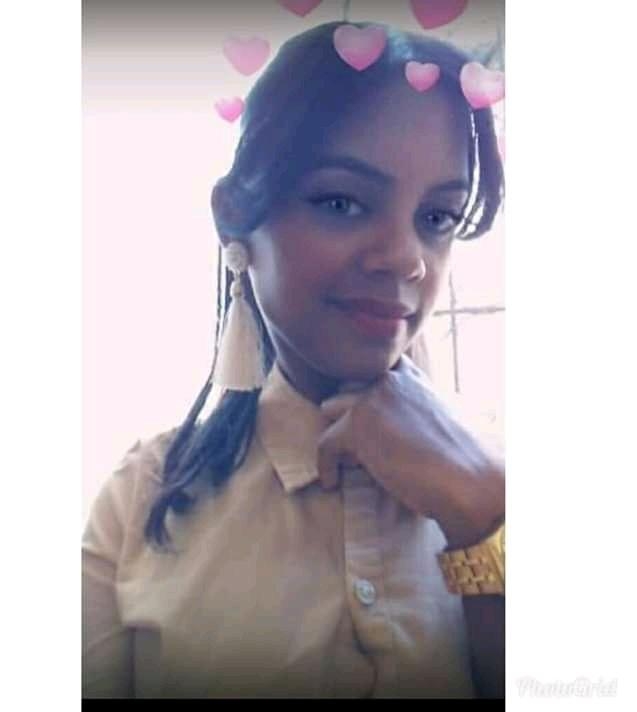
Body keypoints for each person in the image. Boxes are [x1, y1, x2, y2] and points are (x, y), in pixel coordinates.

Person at [82, 20, 505, 699]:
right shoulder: (141, 499)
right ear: (235, 217)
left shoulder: (506, 475)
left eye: (438, 218)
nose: (406, 259)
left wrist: (484, 513)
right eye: (342, 202)